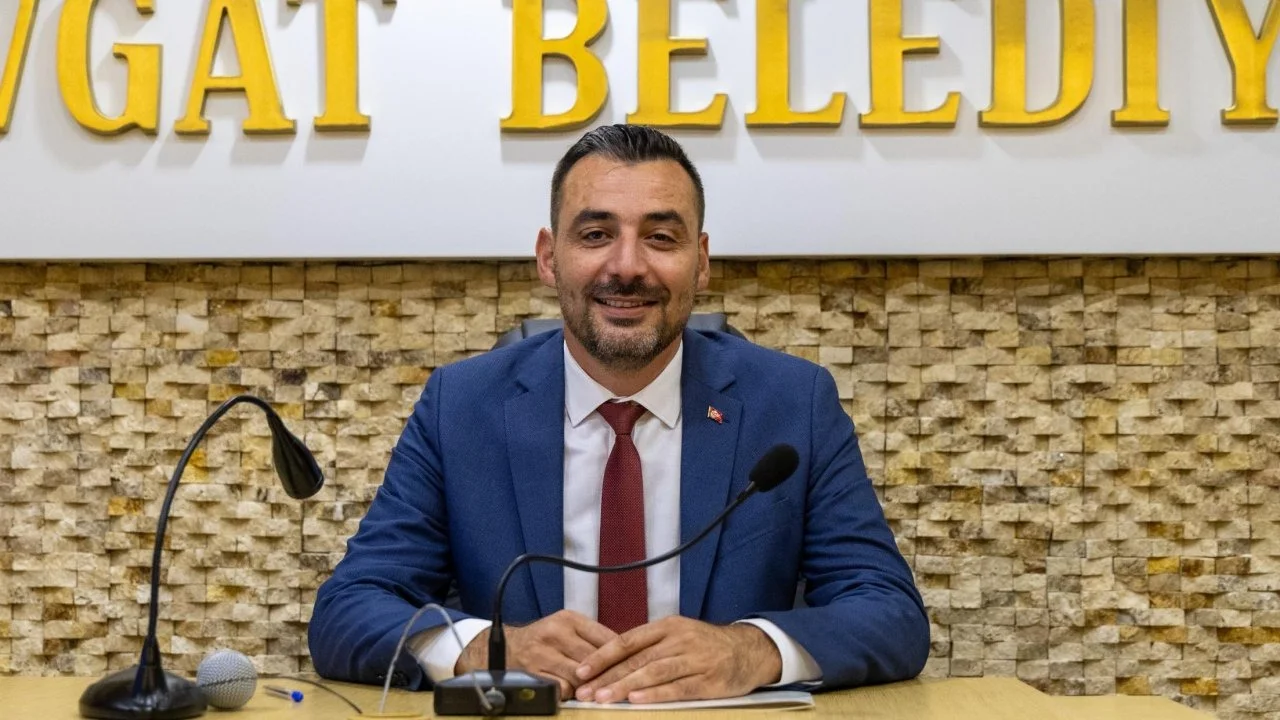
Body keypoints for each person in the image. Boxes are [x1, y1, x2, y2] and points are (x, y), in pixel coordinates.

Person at [308, 124, 929, 704]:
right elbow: (349, 609)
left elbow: (889, 611)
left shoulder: (793, 404)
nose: (627, 266)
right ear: (549, 257)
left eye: (660, 238)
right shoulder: (462, 407)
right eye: (595, 235)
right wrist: (484, 650)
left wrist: (751, 650)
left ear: (701, 262)